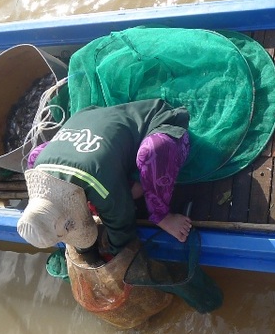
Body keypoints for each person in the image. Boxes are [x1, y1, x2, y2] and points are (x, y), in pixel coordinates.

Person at [16, 98, 193, 257]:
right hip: (96, 121)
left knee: (151, 154)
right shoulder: (39, 165)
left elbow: (122, 222)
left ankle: (163, 216)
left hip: (156, 120)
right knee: (35, 155)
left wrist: (113, 253)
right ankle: (131, 182)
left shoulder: (96, 180)